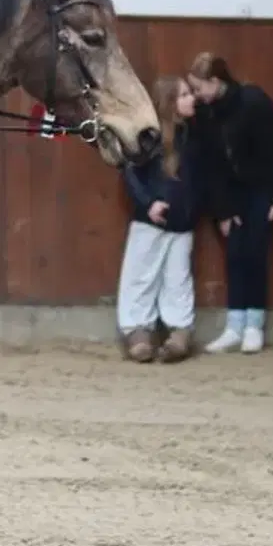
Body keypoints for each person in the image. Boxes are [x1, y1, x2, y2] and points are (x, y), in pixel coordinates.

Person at [186, 52, 273, 355]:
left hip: (260, 189)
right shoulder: (206, 114)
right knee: (234, 255)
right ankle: (234, 325)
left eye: (199, 88)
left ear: (215, 82)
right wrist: (221, 210)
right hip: (231, 194)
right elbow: (211, 165)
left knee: (255, 254)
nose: (197, 96)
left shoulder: (254, 102)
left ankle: (254, 325)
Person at [116, 77, 205, 363]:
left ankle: (180, 330)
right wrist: (148, 203)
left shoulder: (194, 136)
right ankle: (137, 330)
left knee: (178, 279)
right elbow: (130, 172)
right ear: (170, 102)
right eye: (184, 95)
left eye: (191, 93)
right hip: (151, 222)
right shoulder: (151, 138)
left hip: (183, 223)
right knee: (140, 276)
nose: (192, 98)